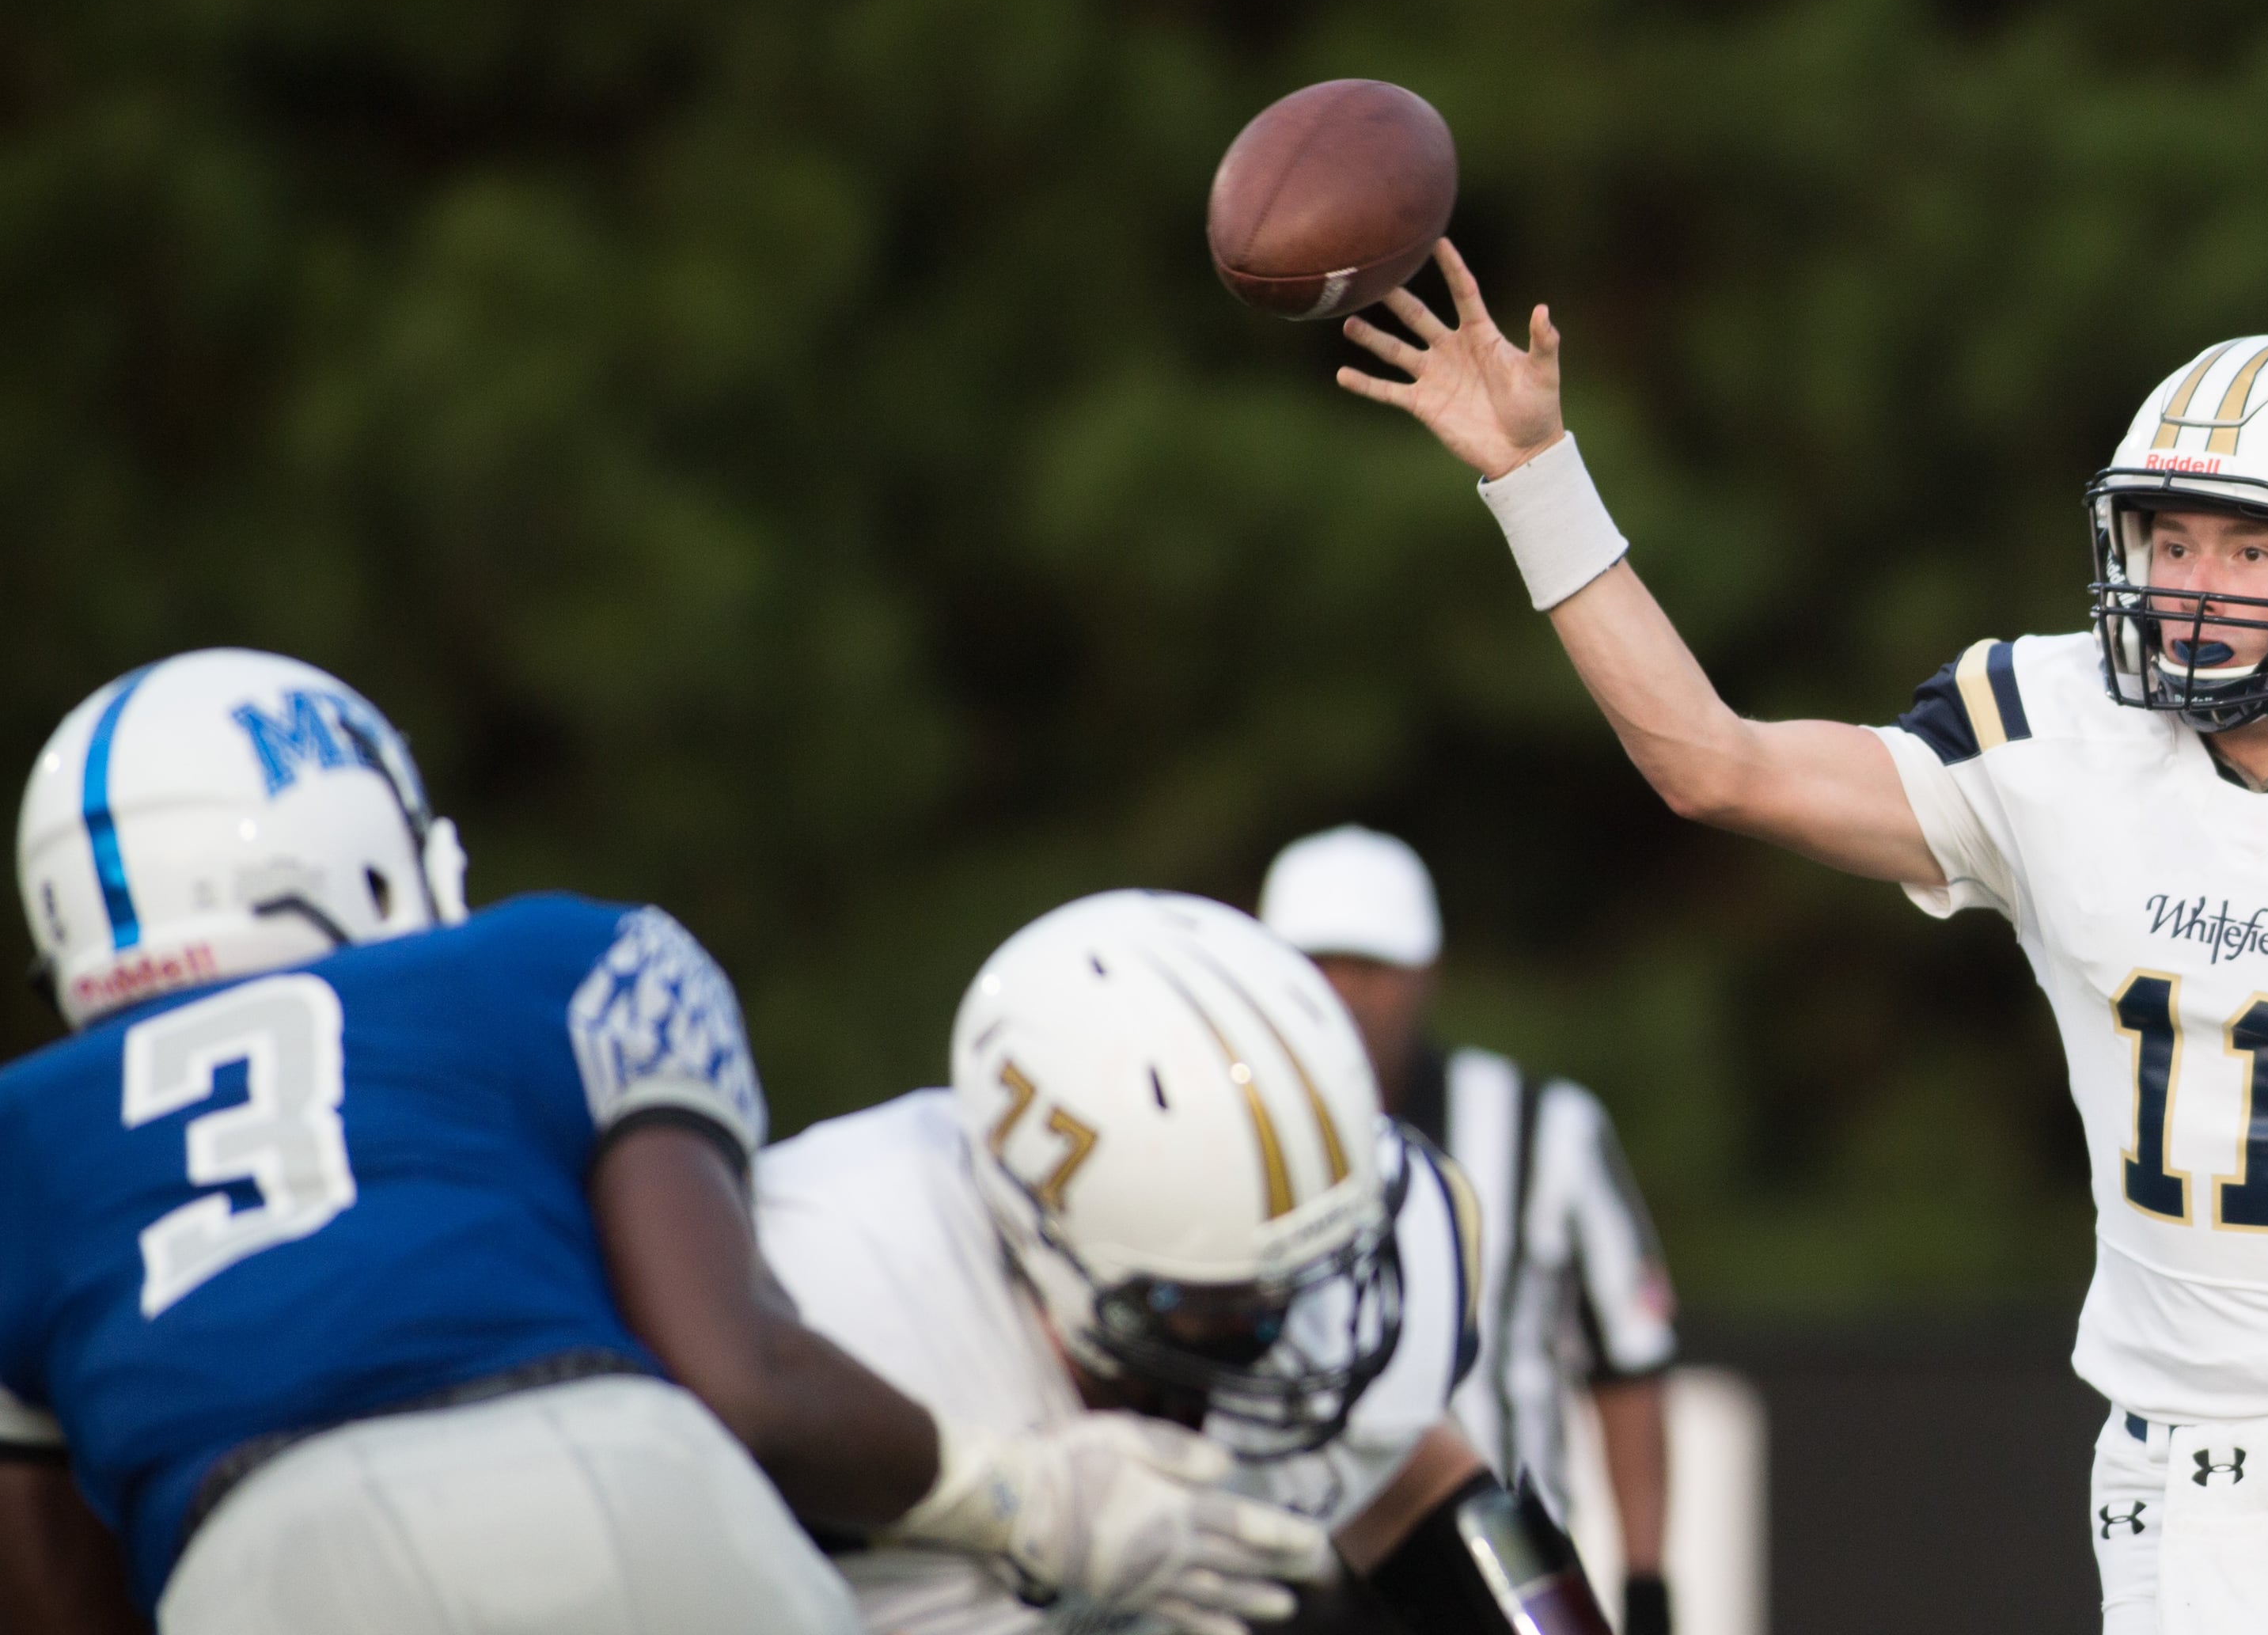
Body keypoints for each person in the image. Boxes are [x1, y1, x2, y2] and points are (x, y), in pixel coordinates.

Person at [1335, 246, 2268, 1632]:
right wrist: (1535, 479)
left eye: (2252, 545)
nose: (2194, 584)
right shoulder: (2057, 739)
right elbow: (1716, 764)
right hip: (2165, 1475)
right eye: (2170, 540)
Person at [0, 650, 1317, 1635]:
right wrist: (1021, 1497)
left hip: (265, 1570)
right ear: (361, 841)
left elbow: (58, 1593)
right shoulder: (555, 956)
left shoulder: (23, 1135)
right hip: (612, 1482)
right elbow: (734, 1373)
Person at [752, 888, 1617, 1635]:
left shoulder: (1269, 1256)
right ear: (1044, 1246)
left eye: (1298, 1286)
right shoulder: (832, 1279)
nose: (1283, 1331)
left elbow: (1415, 1476)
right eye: (1226, 1303)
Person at [1257, 825, 1679, 1635]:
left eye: (1371, 967)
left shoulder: (1545, 1129)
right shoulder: (1212, 1132)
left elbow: (1629, 1364)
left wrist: (1648, 1587)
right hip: (1279, 1562)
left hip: (1495, 1557)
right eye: (1318, 964)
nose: (1344, 993)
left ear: (1425, 974)